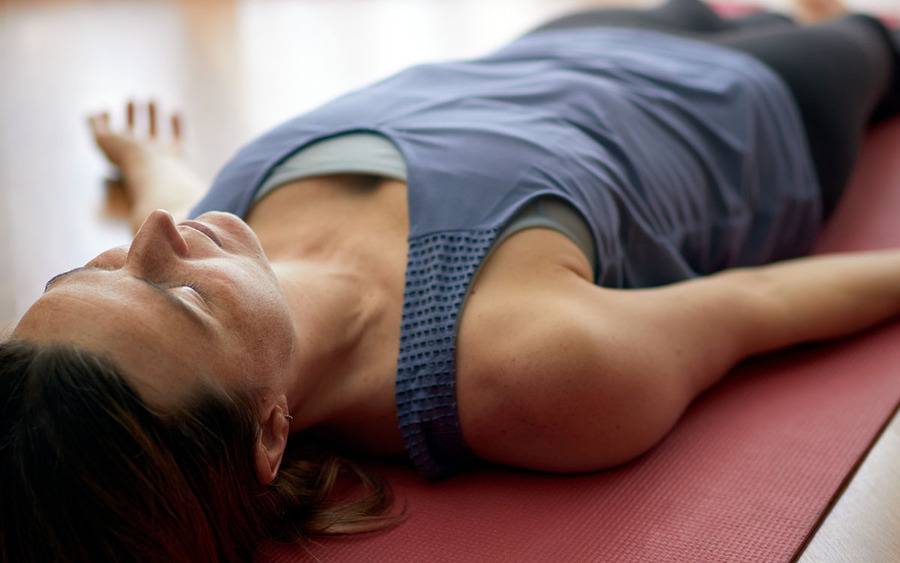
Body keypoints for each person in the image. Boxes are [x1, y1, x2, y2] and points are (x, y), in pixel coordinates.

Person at [3, 0, 900, 560]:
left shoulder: (207, 256)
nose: (157, 235)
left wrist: (146, 157)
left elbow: (160, 210)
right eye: (179, 297)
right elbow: (757, 306)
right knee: (867, 34)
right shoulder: (525, 364)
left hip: (552, 50)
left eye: (100, 267)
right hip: (748, 109)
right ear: (269, 431)